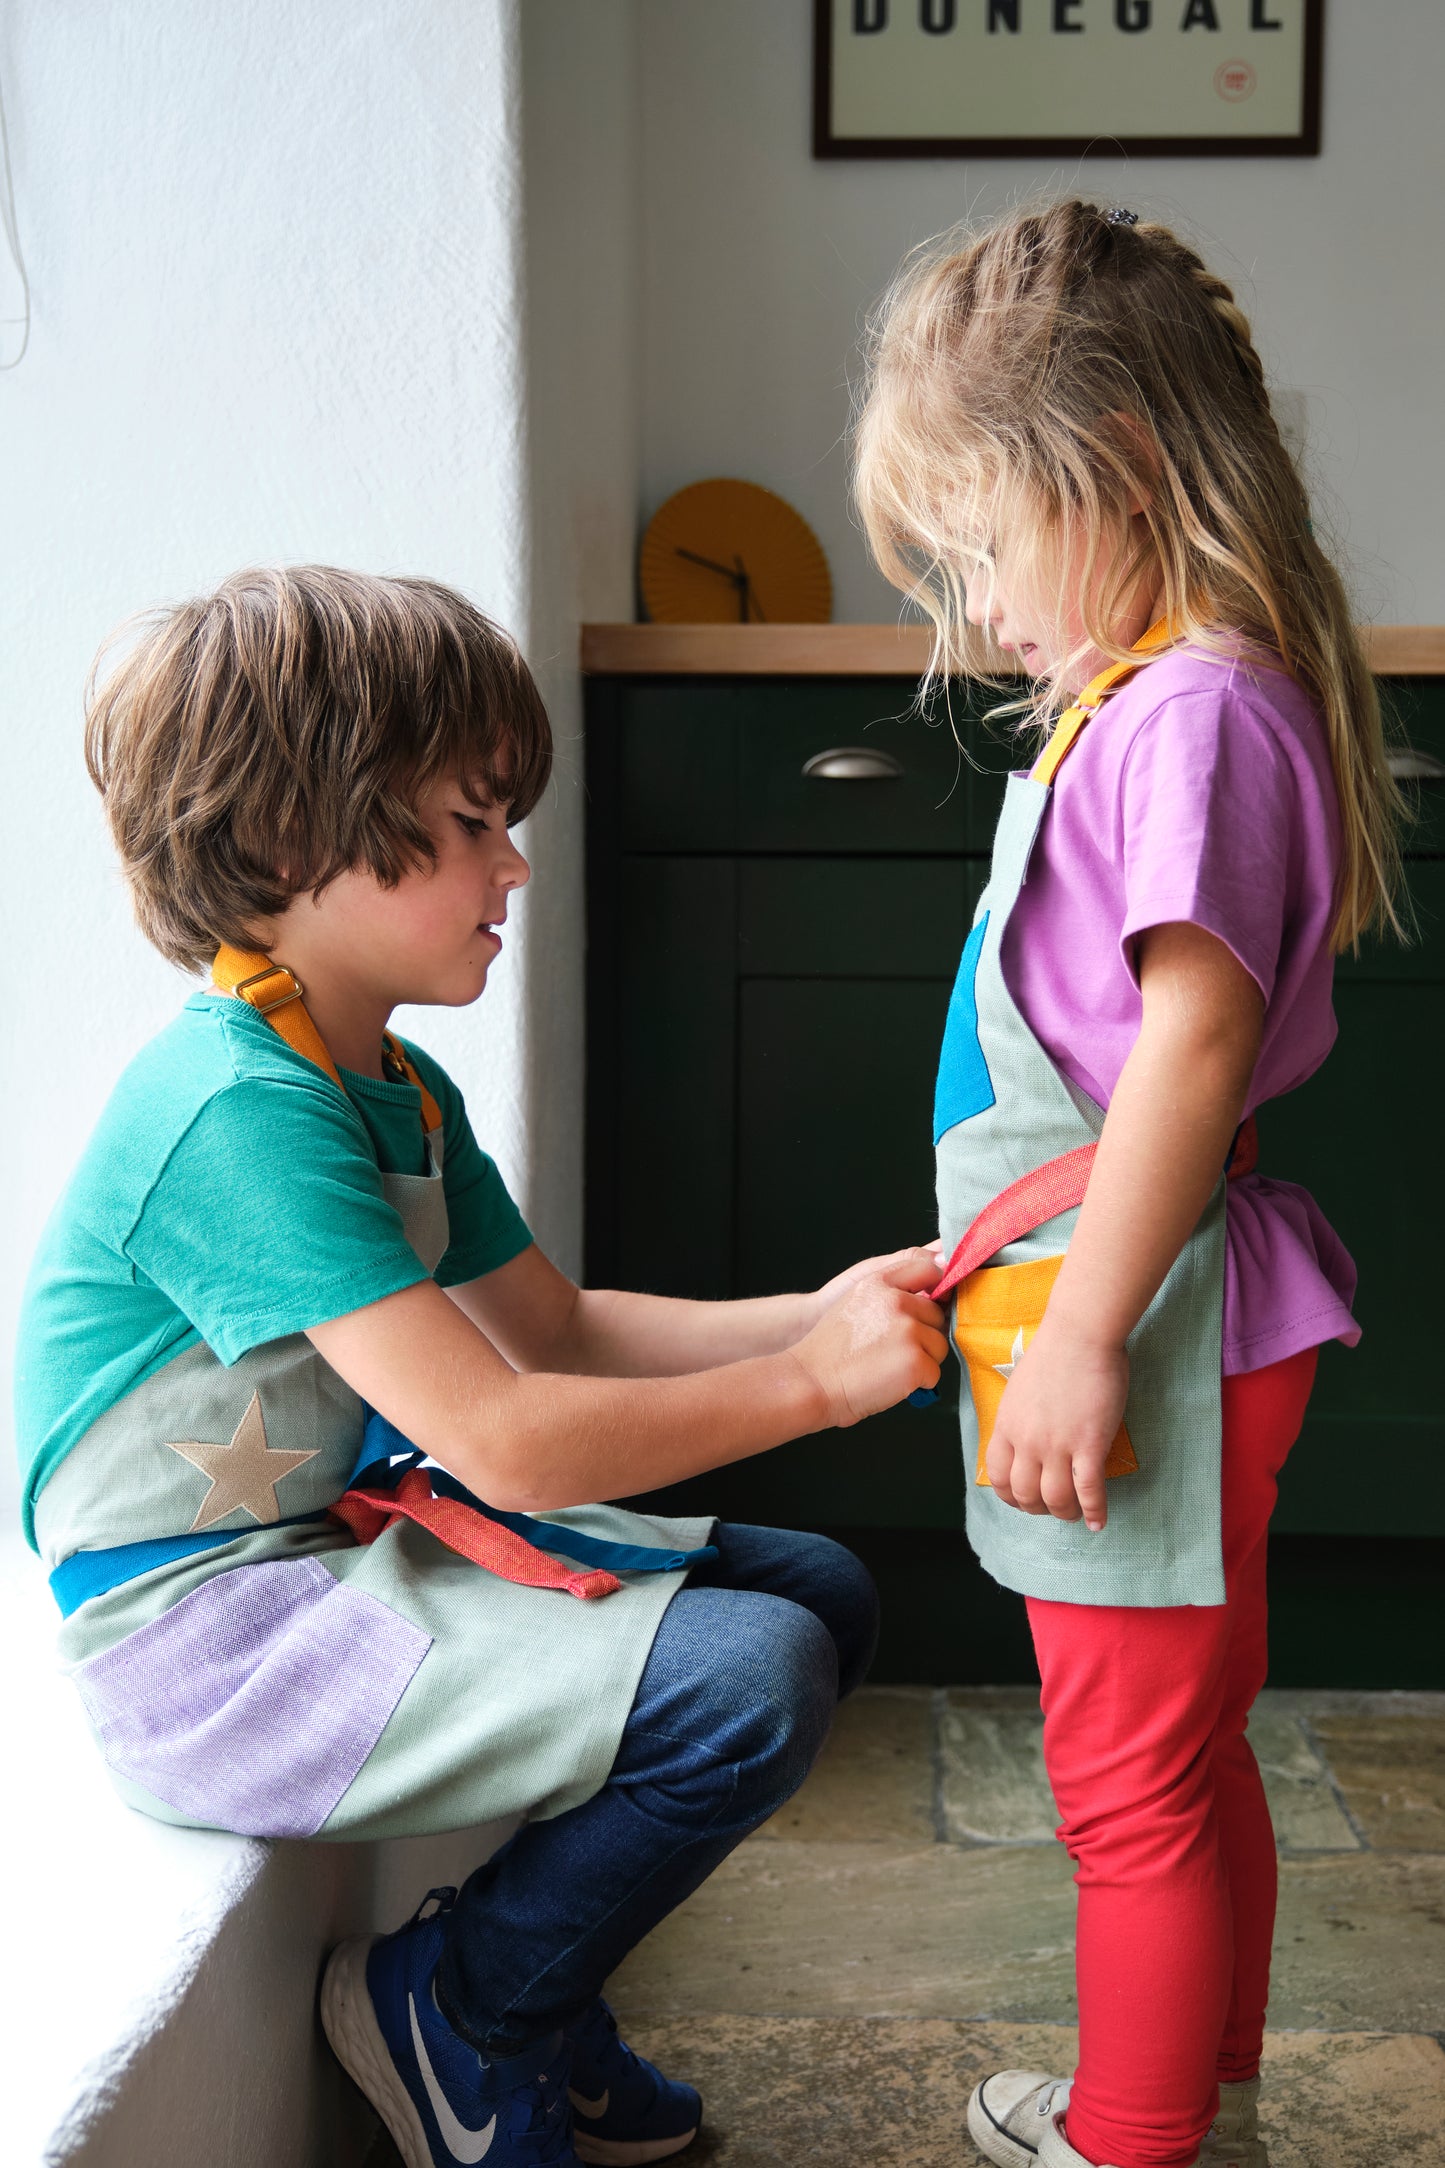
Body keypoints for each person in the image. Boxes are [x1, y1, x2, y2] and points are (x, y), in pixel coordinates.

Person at [14, 565, 947, 2168]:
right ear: (290, 839)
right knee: (748, 1683)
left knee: (820, 1595)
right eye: (466, 824)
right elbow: (507, 1438)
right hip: (206, 1644)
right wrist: (814, 1390)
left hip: (319, 1554)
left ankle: (533, 1980)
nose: (512, 864)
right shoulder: (235, 1110)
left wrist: (815, 1312)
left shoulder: (390, 1084)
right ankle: (471, 2010)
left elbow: (563, 1330)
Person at [853, 202, 1402, 2168]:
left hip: (1148, 1326)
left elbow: (1188, 1050)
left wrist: (1082, 1333)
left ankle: (1134, 2132)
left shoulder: (1188, 710)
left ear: (1128, 478)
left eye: (992, 545)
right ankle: (1207, 2094)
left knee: (1127, 1785)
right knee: (1183, 1748)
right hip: (1137, 1307)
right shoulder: (1167, 699)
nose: (987, 605)